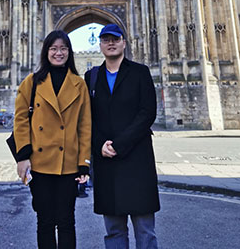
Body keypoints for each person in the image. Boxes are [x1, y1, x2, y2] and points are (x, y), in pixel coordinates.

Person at [14, 30, 91, 248]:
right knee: (45, 221)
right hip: (39, 164)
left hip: (68, 165)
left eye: (63, 48)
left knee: (67, 221)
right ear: (46, 51)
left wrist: (84, 164)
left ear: (69, 52)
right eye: (54, 48)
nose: (59, 53)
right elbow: (20, 121)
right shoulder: (31, 82)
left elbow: (85, 126)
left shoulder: (79, 84)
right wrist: (23, 157)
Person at [85, 24, 160, 248]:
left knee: (145, 230)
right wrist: (99, 145)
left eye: (115, 39)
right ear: (100, 45)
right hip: (107, 161)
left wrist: (119, 144)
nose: (110, 43)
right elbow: (87, 118)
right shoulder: (91, 77)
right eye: (106, 39)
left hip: (136, 159)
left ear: (123, 43)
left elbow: (147, 113)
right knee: (113, 231)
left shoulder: (140, 72)